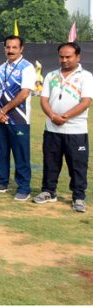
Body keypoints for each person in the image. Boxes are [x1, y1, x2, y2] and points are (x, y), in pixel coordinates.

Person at [34, 42, 93, 213]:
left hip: (76, 130)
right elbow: (43, 99)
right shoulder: (51, 75)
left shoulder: (86, 76)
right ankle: (48, 191)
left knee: (78, 165)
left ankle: (79, 197)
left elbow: (86, 102)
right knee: (50, 163)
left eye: (69, 56)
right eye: (62, 56)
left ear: (78, 57)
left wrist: (65, 117)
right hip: (52, 128)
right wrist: (53, 116)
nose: (64, 60)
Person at [0, 35, 36, 201]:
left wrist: (4, 110)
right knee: (0, 152)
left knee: (21, 154)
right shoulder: (1, 68)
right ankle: (1, 182)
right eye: (8, 47)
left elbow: (24, 93)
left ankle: (23, 187)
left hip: (19, 119)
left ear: (21, 49)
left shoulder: (27, 67)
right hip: (0, 118)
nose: (10, 50)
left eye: (14, 47)